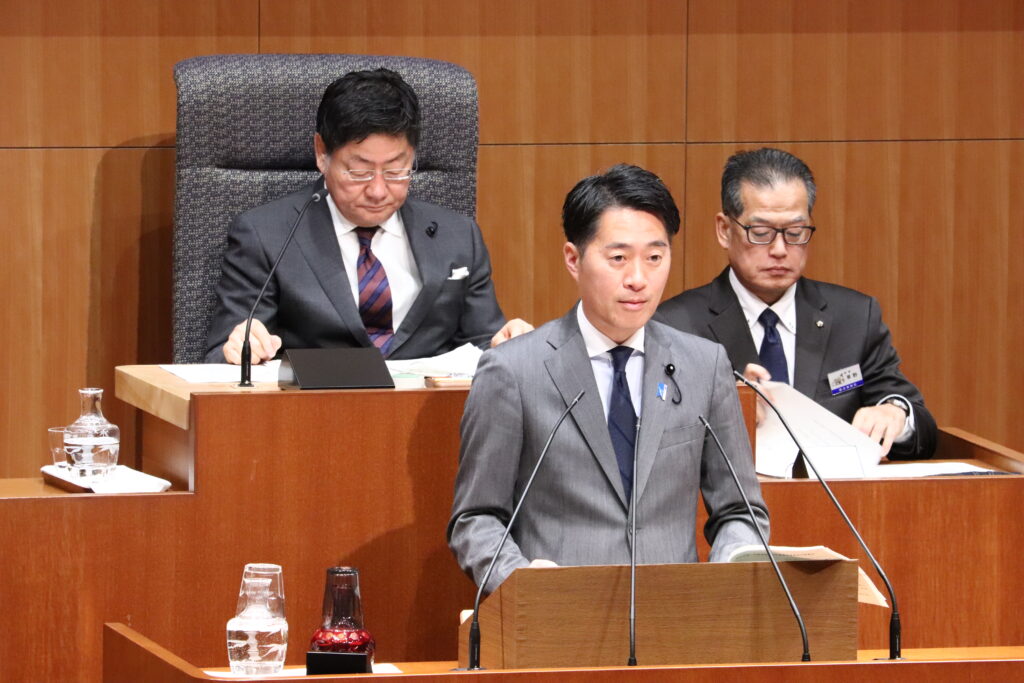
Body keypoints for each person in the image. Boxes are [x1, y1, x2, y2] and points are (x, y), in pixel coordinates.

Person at [448, 164, 768, 595]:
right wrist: (524, 583)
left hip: (674, 615)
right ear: (573, 259)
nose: (638, 279)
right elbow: (476, 519)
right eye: (618, 258)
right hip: (559, 616)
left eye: (655, 258)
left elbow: (741, 511)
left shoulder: (704, 365)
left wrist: (726, 571)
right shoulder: (513, 371)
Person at [204, 68, 530, 363]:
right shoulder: (267, 235)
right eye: (359, 172)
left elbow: (483, 344)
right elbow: (221, 358)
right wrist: (241, 348)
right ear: (322, 153)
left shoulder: (458, 236)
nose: (377, 190)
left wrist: (507, 345)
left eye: (396, 170)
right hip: (316, 405)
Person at [656, 148, 936, 460]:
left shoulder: (854, 317)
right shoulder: (674, 327)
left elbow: (921, 428)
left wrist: (895, 414)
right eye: (760, 232)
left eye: (795, 232)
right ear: (724, 230)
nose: (779, 249)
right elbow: (655, 441)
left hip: (834, 490)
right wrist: (722, 408)